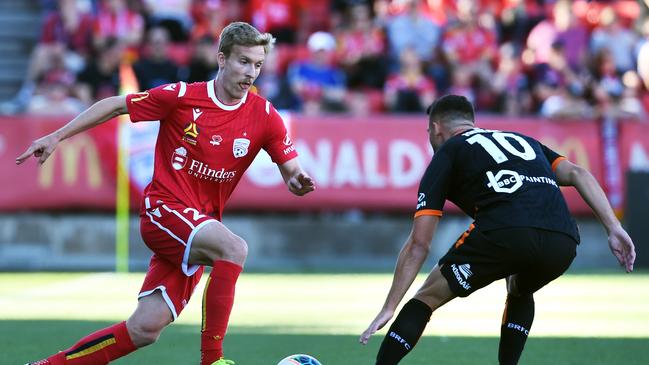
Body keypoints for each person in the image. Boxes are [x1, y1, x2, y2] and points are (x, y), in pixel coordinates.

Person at [17, 22, 315, 365]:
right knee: (234, 248)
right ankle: (213, 361)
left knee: (144, 329)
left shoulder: (264, 116)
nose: (251, 73)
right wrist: (56, 136)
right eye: (243, 62)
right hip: (164, 210)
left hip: (197, 227)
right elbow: (116, 105)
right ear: (222, 58)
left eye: (258, 65)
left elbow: (291, 168)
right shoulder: (183, 97)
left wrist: (296, 180)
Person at [359, 94, 635, 365]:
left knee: (426, 298)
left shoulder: (448, 153)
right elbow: (578, 173)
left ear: (436, 128)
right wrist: (613, 227)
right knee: (519, 289)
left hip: (506, 231)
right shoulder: (523, 140)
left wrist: (390, 306)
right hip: (563, 239)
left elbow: (419, 244)